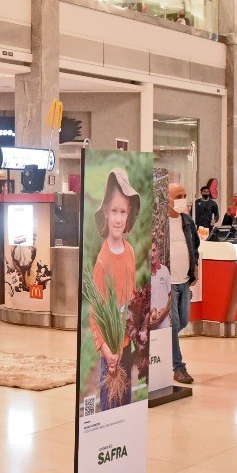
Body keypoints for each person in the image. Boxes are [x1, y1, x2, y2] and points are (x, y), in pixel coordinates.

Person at [91, 169, 140, 410]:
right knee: (110, 406)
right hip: (110, 352)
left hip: (126, 345)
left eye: (123, 212)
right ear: (105, 214)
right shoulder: (103, 261)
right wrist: (108, 352)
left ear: (129, 214)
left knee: (127, 404)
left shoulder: (130, 251)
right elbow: (95, 315)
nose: (118, 219)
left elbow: (131, 296)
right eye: (114, 212)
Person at [168, 182, 201, 385]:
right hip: (167, 283)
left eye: (185, 195)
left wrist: (194, 266)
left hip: (184, 280)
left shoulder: (187, 221)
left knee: (183, 322)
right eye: (178, 196)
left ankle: (161, 347)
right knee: (172, 325)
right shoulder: (159, 224)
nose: (183, 200)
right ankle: (178, 367)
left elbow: (194, 246)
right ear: (168, 199)